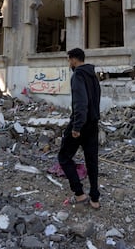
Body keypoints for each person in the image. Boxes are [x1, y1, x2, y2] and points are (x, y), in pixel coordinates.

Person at [58, 48, 101, 209]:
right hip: (93, 124)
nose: (69, 63)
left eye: (69, 60)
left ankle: (79, 193)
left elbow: (80, 103)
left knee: (64, 157)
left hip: (80, 124)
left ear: (74, 60)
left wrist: (77, 127)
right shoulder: (93, 75)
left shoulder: (78, 75)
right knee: (92, 161)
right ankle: (95, 199)